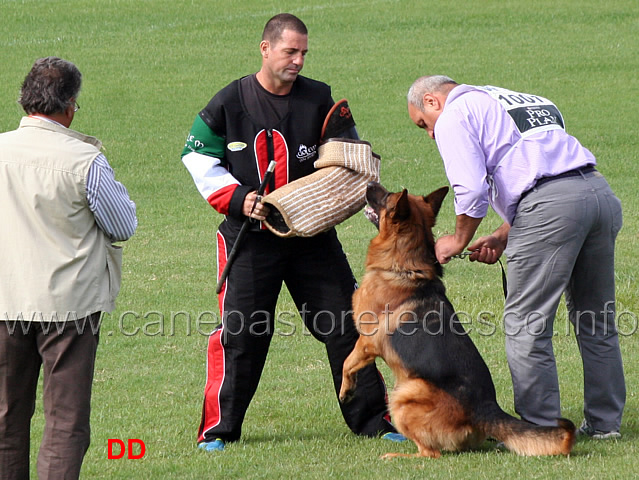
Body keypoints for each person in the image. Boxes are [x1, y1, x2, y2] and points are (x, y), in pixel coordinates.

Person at [181, 13, 399, 452]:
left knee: (347, 326)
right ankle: (219, 431)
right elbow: (197, 158)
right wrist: (238, 197)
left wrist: (375, 208)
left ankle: (375, 420)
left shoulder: (320, 99)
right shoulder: (228, 101)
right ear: (265, 49)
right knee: (242, 334)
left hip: (312, 241)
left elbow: (350, 162)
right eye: (289, 51)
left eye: (303, 52)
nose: (298, 60)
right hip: (249, 239)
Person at [406, 75, 625, 439]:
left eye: (423, 124)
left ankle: (538, 431)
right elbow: (548, 170)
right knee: (595, 320)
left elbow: (472, 188)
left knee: (526, 323)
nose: (430, 134)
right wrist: (505, 235)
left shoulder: (455, 113)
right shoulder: (523, 99)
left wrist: (458, 239)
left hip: (551, 207)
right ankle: (605, 425)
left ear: (432, 101)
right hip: (597, 195)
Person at [0, 57, 137, 479]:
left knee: (5, 416)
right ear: (70, 104)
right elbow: (122, 225)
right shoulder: (84, 160)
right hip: (69, 307)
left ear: (26, 100)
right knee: (65, 421)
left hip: (4, 300)